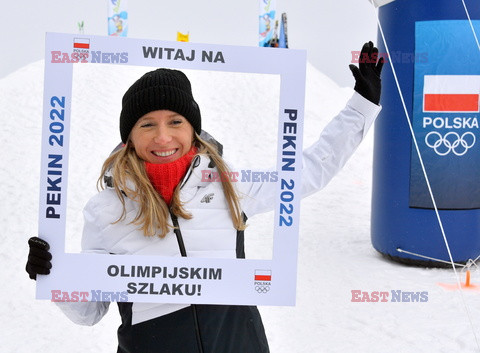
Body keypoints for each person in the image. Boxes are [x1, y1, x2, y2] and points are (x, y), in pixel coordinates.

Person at [26, 41, 384, 353]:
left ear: (193, 130)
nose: (163, 137)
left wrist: (361, 107)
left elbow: (308, 171)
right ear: (129, 137)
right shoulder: (108, 210)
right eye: (147, 124)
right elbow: (89, 312)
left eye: (176, 121)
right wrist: (54, 277)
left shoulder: (228, 186)